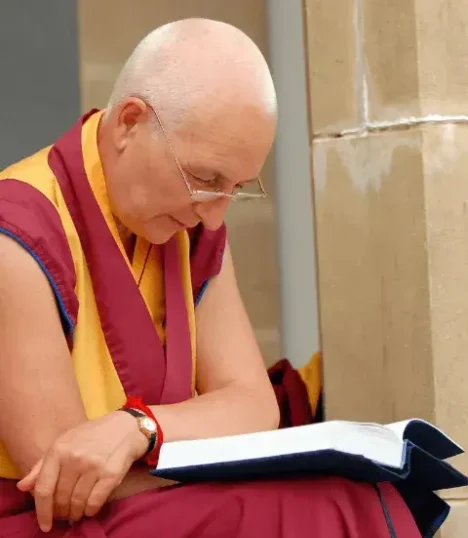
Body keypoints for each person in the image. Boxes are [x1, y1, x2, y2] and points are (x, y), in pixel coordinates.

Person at [0, 18, 442, 538]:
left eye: (235, 188)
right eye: (206, 180)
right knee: (322, 511)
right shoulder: (18, 236)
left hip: (154, 489)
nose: (213, 218)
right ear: (129, 123)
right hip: (56, 520)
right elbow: (67, 485)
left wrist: (141, 428)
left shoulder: (188, 228)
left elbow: (252, 402)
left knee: (363, 496)